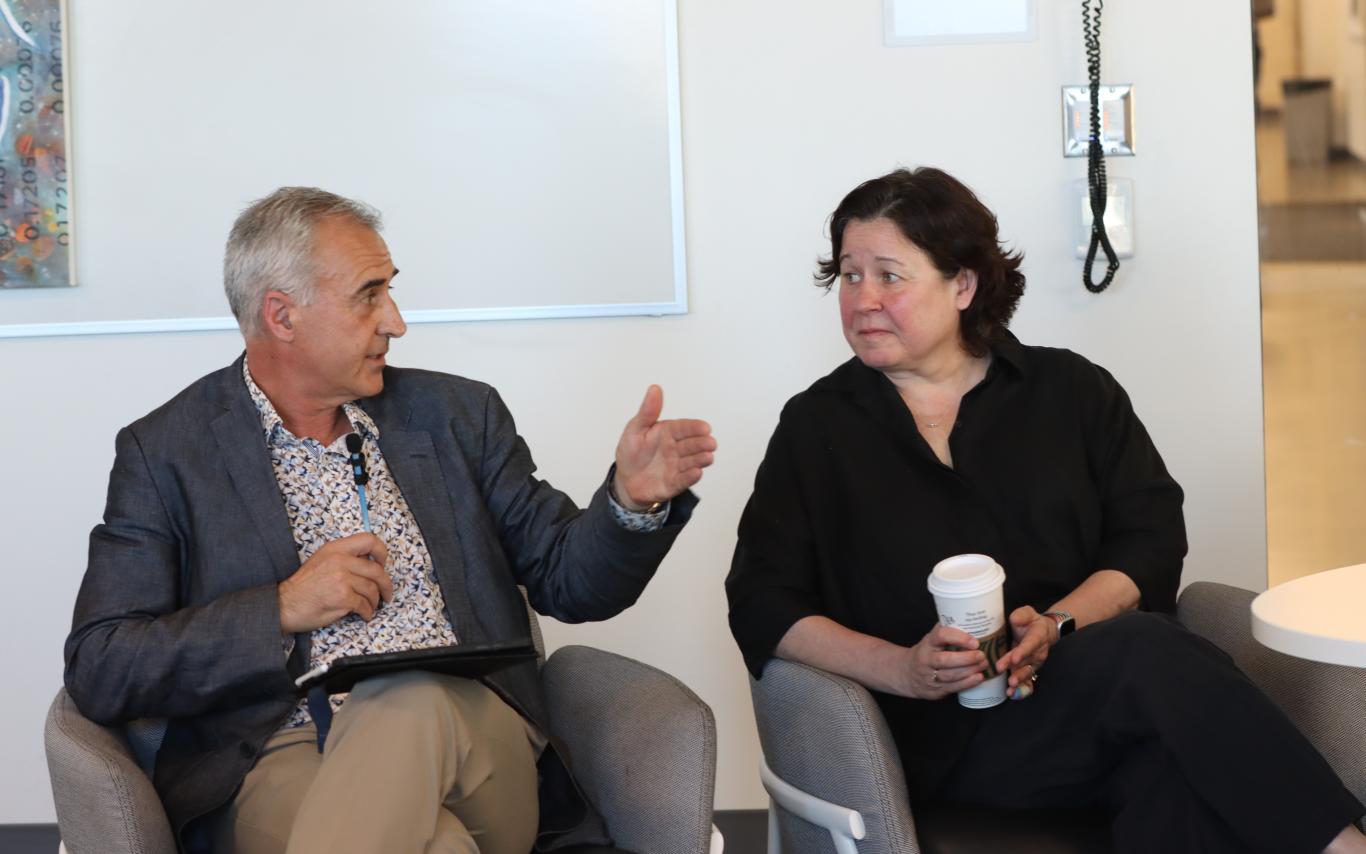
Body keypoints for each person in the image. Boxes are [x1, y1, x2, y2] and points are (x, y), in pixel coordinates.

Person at [725, 167, 1366, 853]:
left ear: (963, 286)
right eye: (849, 277)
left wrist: (1058, 625)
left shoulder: (1073, 392)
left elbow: (1149, 542)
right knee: (1150, 660)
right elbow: (762, 600)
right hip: (931, 738)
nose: (863, 300)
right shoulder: (817, 427)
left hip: (1087, 702)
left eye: (889, 275)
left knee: (1169, 772)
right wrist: (901, 667)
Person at [64, 187, 717, 854]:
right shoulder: (169, 452)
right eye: (368, 295)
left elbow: (569, 581)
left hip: (475, 738)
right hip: (278, 751)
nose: (396, 322)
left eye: (390, 291)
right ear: (282, 316)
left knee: (409, 699)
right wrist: (281, 608)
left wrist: (631, 505)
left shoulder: (457, 416)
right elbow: (102, 662)